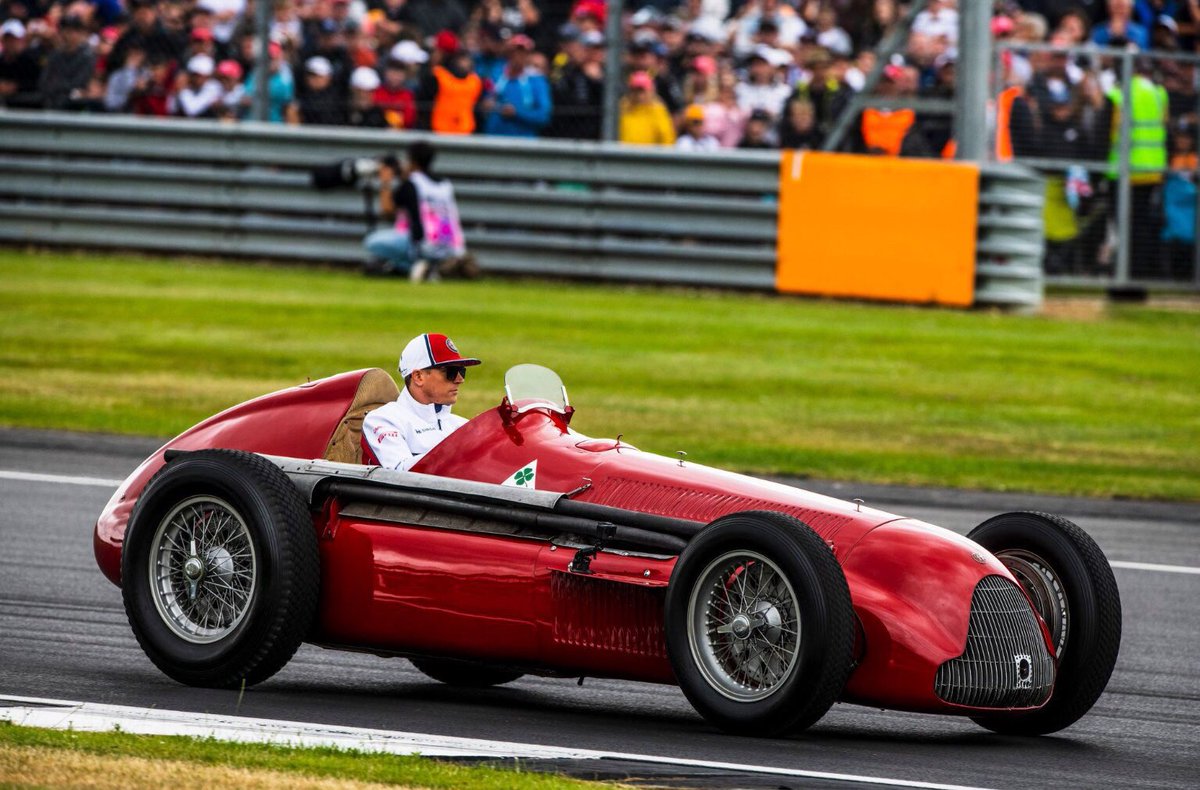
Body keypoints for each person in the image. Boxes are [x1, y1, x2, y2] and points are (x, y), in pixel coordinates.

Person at [362, 333, 481, 471]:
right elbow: (399, 474)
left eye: (462, 371)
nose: (460, 379)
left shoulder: (461, 426)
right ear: (418, 377)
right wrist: (459, 446)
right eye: (451, 372)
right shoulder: (383, 420)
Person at [364, 141, 467, 281]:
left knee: (372, 241)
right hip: (451, 246)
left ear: (412, 161)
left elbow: (387, 211)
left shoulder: (413, 184)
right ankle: (433, 269)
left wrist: (386, 182)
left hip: (423, 245)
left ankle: (414, 268)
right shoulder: (444, 184)